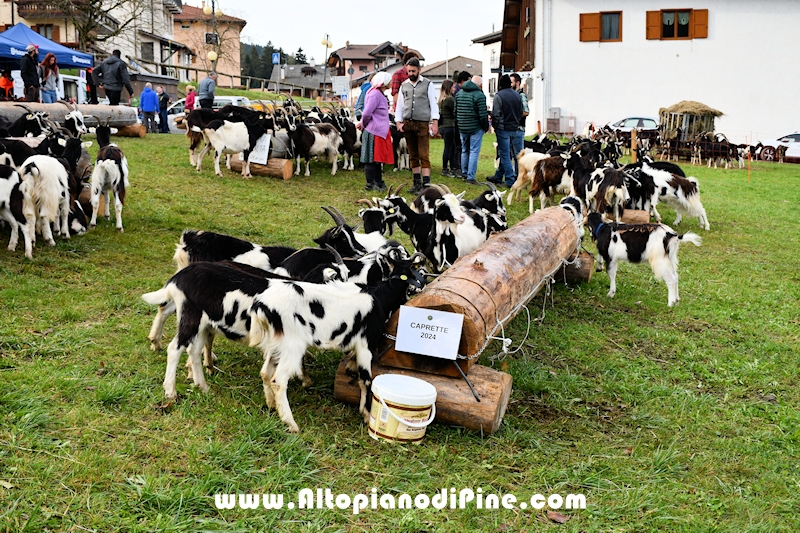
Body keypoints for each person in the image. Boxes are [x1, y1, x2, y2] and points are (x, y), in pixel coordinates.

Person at [395, 58, 439, 194]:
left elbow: (433, 104)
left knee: (423, 154)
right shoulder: (404, 85)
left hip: (422, 123)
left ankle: (426, 184)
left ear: (419, 70)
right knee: (412, 154)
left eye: (413, 71)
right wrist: (398, 121)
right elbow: (400, 106)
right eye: (409, 71)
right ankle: (416, 182)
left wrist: (435, 122)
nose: (411, 73)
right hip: (408, 123)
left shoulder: (428, 84)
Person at [357, 72, 393, 192]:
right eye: (390, 81)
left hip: (377, 131)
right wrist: (363, 124)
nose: (391, 83)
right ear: (384, 82)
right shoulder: (375, 94)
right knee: (371, 159)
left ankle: (378, 182)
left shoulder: (378, 94)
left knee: (377, 159)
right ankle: (370, 184)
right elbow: (367, 113)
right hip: (373, 131)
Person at [487, 74, 523, 188]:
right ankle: (499, 176)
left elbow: (496, 113)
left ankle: (510, 180)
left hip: (503, 129)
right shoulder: (517, 95)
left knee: (505, 154)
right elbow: (521, 112)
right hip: (515, 128)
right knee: (514, 154)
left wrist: (495, 125)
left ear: (500, 84)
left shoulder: (499, 96)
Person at [454, 75, 488, 185]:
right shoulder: (479, 95)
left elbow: (455, 111)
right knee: (474, 151)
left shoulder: (459, 94)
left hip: (462, 127)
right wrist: (485, 127)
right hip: (475, 127)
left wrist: (459, 123)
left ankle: (464, 173)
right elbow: (483, 115)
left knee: (465, 150)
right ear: (480, 85)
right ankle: (470, 177)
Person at [438, 80, 459, 177]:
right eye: (453, 87)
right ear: (449, 88)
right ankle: (446, 169)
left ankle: (451, 168)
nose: (454, 89)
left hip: (442, 126)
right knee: (449, 148)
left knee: (451, 147)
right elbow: (455, 112)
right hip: (449, 125)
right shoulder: (450, 100)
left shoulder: (441, 100)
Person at [510, 72, 530, 176]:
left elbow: (526, 112)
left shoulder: (521, 96)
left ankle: (520, 177)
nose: (510, 84)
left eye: (511, 82)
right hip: (511, 129)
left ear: (517, 83)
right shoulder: (512, 95)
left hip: (518, 129)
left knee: (518, 156)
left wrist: (514, 116)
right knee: (510, 155)